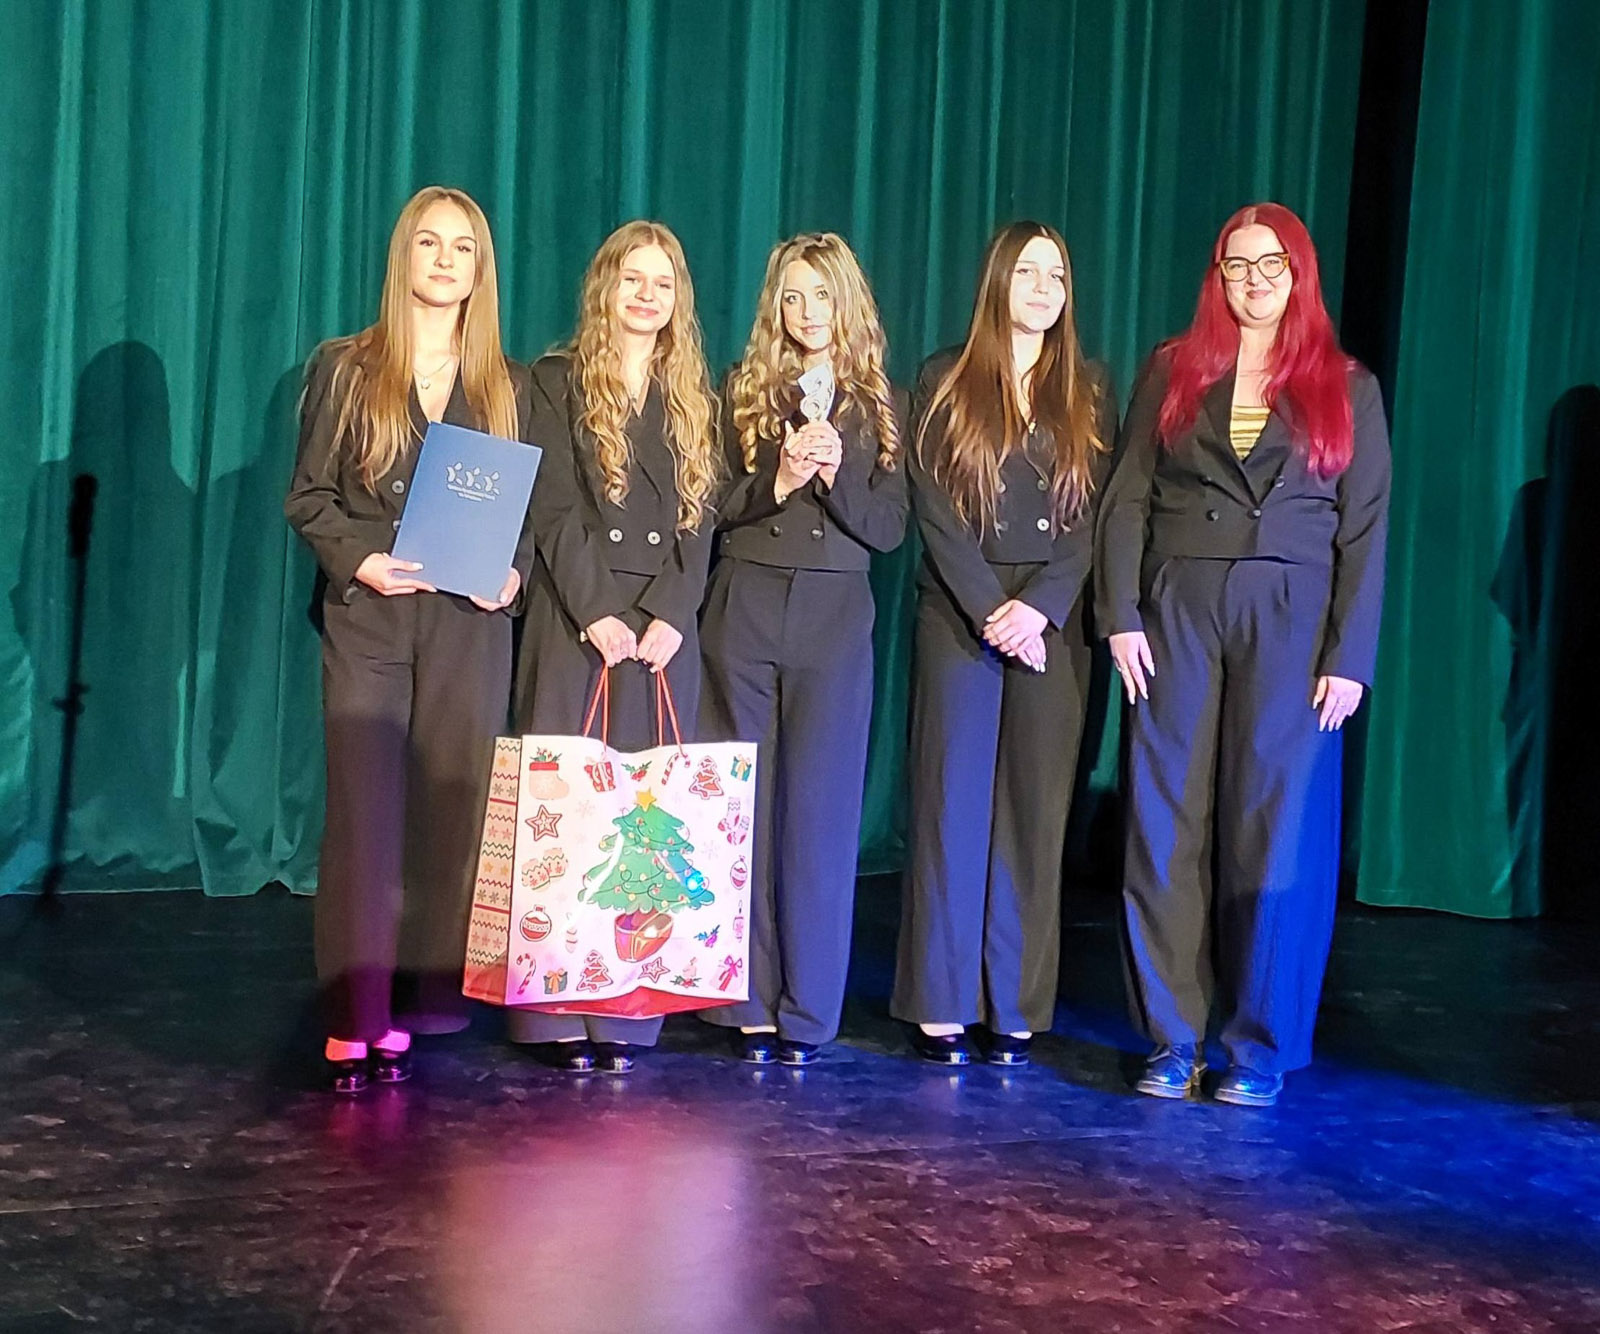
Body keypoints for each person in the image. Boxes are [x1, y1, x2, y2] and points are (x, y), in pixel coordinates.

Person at [1096, 202, 1391, 1107]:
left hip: (1293, 620)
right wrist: (1120, 612)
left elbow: (1365, 529)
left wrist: (1349, 654)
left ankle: (1257, 1051)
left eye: (1271, 265)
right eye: (1237, 265)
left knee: (1276, 828)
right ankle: (1171, 1039)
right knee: (1165, 823)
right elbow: (1128, 498)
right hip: (1178, 608)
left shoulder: (1346, 384)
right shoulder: (1173, 370)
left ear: (1298, 275)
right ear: (1216, 276)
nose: (1254, 281)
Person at [285, 186, 534, 1094]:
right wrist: (362, 560)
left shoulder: (507, 383)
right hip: (373, 616)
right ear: (405, 257)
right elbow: (309, 498)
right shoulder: (349, 367)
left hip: (468, 623)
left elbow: (532, 516)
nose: (444, 260)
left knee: (447, 811)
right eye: (429, 243)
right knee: (365, 816)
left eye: (462, 248)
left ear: (480, 270)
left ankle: (420, 1001)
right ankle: (356, 1014)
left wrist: (514, 576)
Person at [892, 222, 1117, 1067]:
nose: (1043, 288)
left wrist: (1042, 607)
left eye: (1056, 275)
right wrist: (991, 607)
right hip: (962, 613)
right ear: (998, 281)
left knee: (1033, 810)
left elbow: (1098, 513)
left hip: (1051, 625)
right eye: (1027, 272)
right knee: (951, 805)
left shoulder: (1089, 389)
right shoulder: (943, 378)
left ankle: (1013, 1001)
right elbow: (931, 502)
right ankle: (942, 1001)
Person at [508, 220, 720, 1074]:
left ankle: (628, 1010)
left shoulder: (694, 394)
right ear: (606, 286)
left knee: (647, 829)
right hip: (576, 620)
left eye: (662, 283)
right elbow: (553, 505)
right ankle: (553, 1007)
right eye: (633, 278)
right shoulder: (555, 380)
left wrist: (673, 610)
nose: (647, 295)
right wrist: (596, 610)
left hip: (663, 634)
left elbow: (703, 516)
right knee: (567, 818)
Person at [699, 233, 907, 1066]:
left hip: (833, 615)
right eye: (792, 296)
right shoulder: (742, 390)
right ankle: (744, 1001)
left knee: (819, 815)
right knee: (744, 809)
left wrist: (832, 475)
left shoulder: (881, 402)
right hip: (746, 603)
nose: (807, 312)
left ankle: (810, 1010)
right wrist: (778, 481)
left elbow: (889, 528)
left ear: (847, 302)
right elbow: (712, 505)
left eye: (821, 295)